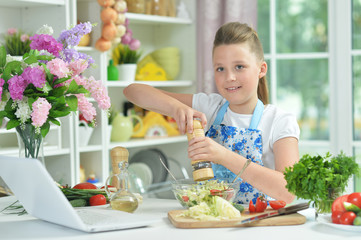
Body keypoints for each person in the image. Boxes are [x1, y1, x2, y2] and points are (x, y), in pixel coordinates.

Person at [123, 22, 299, 204]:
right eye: (220, 68)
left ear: (261, 69)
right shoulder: (209, 106)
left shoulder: (279, 121)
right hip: (211, 219)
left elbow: (289, 191)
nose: (229, 77)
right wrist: (175, 108)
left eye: (239, 67)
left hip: (258, 224)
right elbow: (132, 91)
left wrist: (223, 156)